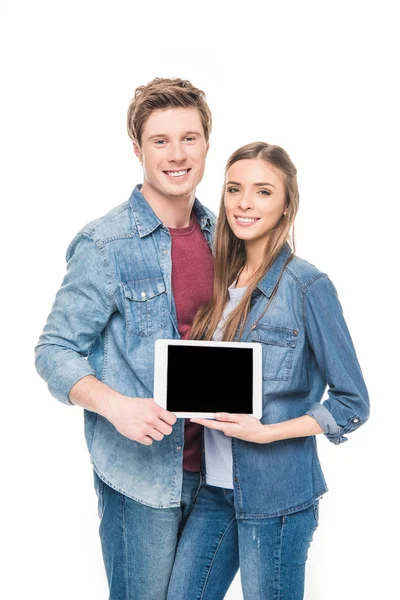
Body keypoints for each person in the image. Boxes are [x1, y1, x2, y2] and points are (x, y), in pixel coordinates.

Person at [34, 77, 216, 599]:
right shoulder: (105, 243)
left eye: (190, 138)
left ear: (207, 143)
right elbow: (53, 350)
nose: (177, 154)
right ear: (137, 150)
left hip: (223, 470)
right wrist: (116, 405)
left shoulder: (225, 236)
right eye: (160, 141)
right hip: (142, 479)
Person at [166, 142, 370, 600]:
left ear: (284, 207)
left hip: (276, 497)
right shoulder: (223, 283)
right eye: (235, 189)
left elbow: (353, 403)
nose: (244, 202)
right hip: (214, 491)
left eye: (262, 191)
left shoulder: (308, 286)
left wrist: (266, 432)